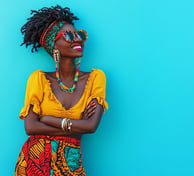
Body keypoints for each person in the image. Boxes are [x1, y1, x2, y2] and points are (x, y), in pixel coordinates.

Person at [15, 5, 108, 176]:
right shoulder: (38, 79)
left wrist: (48, 119)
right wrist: (76, 126)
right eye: (69, 36)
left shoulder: (96, 78)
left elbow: (91, 126)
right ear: (54, 46)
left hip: (70, 162)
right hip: (34, 161)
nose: (77, 39)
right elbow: (30, 127)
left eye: (79, 34)